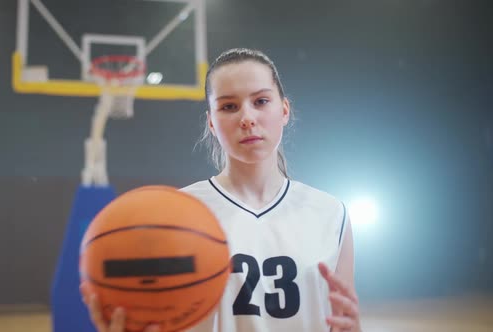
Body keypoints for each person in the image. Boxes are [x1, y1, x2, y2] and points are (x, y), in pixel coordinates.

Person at [81, 48, 361, 332]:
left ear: (284, 110)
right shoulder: (179, 213)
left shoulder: (331, 213)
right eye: (229, 106)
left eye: (261, 101)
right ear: (212, 123)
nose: (247, 118)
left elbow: (342, 322)